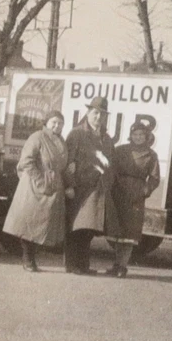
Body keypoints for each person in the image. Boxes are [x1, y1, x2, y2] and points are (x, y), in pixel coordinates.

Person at [1, 110, 69, 272]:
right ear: (46, 122)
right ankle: (27, 259)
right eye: (54, 122)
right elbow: (26, 161)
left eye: (60, 123)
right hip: (33, 186)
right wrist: (39, 180)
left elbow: (62, 164)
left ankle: (32, 257)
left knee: (42, 225)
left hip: (52, 186)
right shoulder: (37, 137)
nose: (57, 126)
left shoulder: (61, 141)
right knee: (29, 223)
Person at [64, 97, 114, 275]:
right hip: (80, 188)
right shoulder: (77, 134)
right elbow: (68, 162)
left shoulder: (106, 139)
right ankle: (72, 265)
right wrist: (69, 185)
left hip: (98, 189)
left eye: (102, 114)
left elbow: (109, 164)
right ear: (88, 113)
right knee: (76, 228)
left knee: (89, 230)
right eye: (95, 113)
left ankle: (83, 265)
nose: (98, 117)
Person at [105, 120, 161, 278]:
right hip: (118, 192)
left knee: (129, 233)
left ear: (146, 136)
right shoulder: (121, 150)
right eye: (135, 134)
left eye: (141, 135)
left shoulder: (151, 155)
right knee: (117, 231)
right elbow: (111, 169)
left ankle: (122, 266)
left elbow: (154, 178)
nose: (138, 137)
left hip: (136, 195)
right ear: (130, 136)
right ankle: (116, 264)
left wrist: (145, 190)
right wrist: (112, 186)